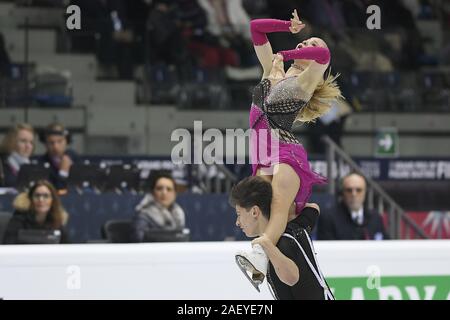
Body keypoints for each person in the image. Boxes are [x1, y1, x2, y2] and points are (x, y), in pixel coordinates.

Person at [237, 9, 342, 282]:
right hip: (261, 151)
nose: (307, 45)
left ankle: (258, 256)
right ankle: (277, 258)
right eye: (305, 41)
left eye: (312, 43)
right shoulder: (272, 67)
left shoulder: (306, 81)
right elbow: (256, 28)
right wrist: (286, 26)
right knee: (262, 208)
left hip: (284, 150)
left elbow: (324, 56)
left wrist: (286, 55)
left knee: (279, 204)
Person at [230, 176, 334, 299]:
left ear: (254, 212)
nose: (237, 222)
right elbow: (313, 208)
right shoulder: (296, 226)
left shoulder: (285, 241)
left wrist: (267, 245)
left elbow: (292, 278)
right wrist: (280, 209)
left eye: (239, 214)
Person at [317, 172, 390, 240]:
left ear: (365, 193)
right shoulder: (328, 218)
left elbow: (386, 245)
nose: (354, 194)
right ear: (342, 193)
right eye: (349, 190)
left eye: (358, 190)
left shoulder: (375, 217)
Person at [2, 180, 70, 244]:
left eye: (46, 196)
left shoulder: (56, 222)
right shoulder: (18, 220)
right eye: (37, 196)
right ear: (31, 199)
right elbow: (8, 246)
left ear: (52, 200)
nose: (41, 199)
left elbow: (68, 249)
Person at [131, 172, 185, 242]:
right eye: (159, 188)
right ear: (152, 193)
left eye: (169, 189)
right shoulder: (143, 217)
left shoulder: (178, 215)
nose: (164, 193)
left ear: (174, 194)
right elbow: (139, 241)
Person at [38, 123, 79, 190]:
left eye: (59, 141)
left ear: (67, 141)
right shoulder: (40, 164)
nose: (55, 146)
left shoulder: (75, 159)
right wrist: (63, 172)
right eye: (51, 142)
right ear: (45, 144)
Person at [0, 123, 35, 188]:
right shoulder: (2, 162)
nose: (28, 146)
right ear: (11, 142)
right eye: (23, 141)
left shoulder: (34, 163)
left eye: (31, 142)